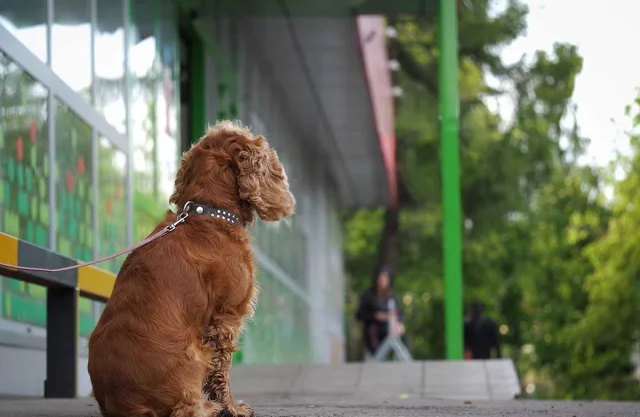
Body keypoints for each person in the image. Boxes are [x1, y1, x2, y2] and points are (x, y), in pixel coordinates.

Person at [356, 266, 405, 358]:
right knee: (374, 359)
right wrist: (375, 316)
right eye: (380, 278)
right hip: (373, 335)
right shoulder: (369, 295)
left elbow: (399, 312)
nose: (382, 281)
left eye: (385, 279)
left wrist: (400, 323)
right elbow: (359, 315)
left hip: (389, 333)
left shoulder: (392, 296)